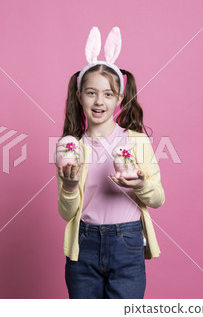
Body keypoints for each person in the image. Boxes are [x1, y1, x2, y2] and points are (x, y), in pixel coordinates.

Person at [56, 27, 166, 299]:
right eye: (91, 93)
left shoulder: (136, 141)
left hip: (127, 244)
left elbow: (158, 198)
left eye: (107, 94)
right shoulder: (71, 148)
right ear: (79, 95)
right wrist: (69, 186)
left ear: (119, 99)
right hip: (84, 247)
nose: (99, 101)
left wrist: (140, 184)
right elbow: (66, 212)